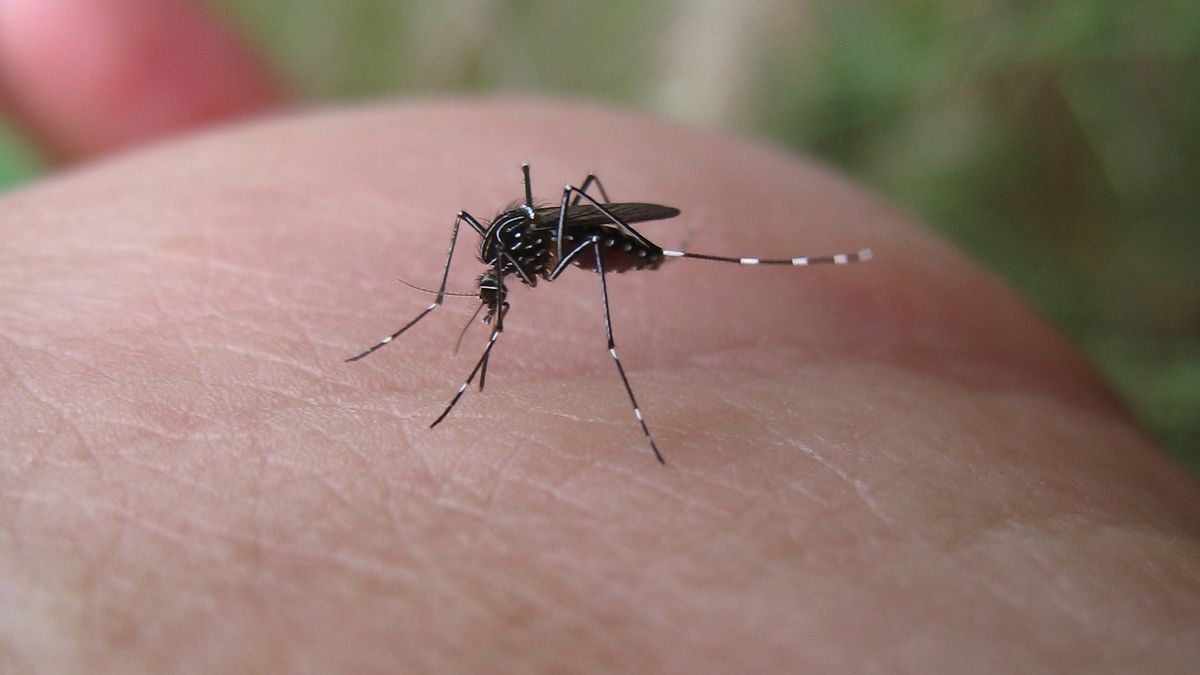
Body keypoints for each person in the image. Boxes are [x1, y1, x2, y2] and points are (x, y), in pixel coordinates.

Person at [1, 1, 1197, 671]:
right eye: (479, 298)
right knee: (503, 213)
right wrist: (443, 308)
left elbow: (545, 233)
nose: (490, 298)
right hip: (556, 231)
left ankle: (631, 359)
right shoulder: (494, 252)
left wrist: (587, 285)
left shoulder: (542, 247)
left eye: (483, 300)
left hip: (596, 233)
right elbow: (490, 253)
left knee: (551, 215)